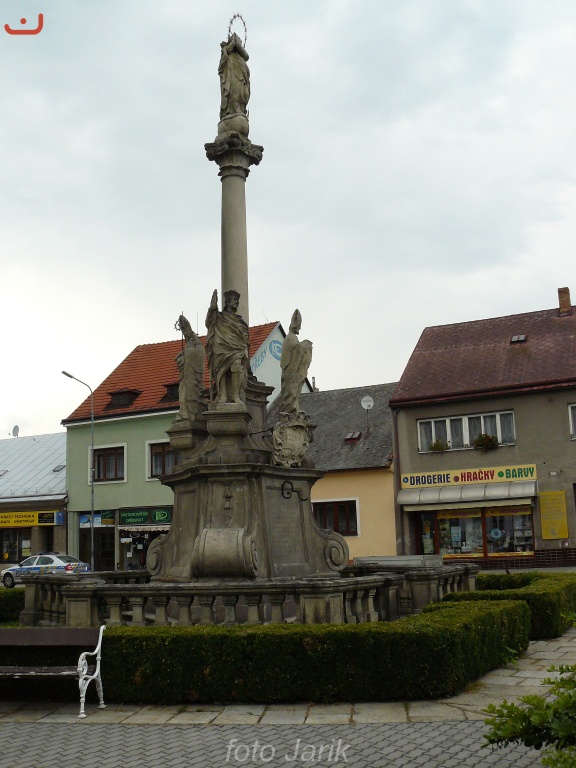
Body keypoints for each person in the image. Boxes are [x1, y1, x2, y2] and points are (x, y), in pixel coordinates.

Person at [205, 289, 249, 404]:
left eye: (237, 301)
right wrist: (212, 307)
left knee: (236, 366)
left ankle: (235, 396)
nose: (236, 303)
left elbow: (244, 336)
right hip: (220, 346)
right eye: (234, 300)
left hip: (236, 348)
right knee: (221, 370)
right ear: (227, 302)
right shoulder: (219, 316)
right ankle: (223, 395)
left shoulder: (240, 322)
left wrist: (245, 348)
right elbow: (208, 322)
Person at [277, 310, 313, 414]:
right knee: (290, 389)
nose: (299, 329)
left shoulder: (293, 337)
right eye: (298, 327)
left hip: (295, 370)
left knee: (295, 388)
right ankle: (289, 406)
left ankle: (294, 405)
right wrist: (303, 347)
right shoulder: (290, 338)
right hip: (290, 370)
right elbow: (289, 357)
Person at [175, 314, 205, 422]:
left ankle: (189, 415)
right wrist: (182, 359)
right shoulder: (187, 347)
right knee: (182, 394)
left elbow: (200, 353)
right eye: (184, 333)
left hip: (192, 376)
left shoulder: (196, 345)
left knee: (190, 394)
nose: (186, 335)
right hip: (185, 376)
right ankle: (184, 414)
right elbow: (180, 361)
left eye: (187, 333)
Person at [218, 32, 250, 119]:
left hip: (241, 76)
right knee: (234, 93)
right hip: (231, 76)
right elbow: (224, 60)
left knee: (244, 93)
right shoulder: (226, 51)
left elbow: (246, 56)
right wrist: (232, 43)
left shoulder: (239, 55)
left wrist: (237, 45)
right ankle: (232, 110)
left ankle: (240, 109)